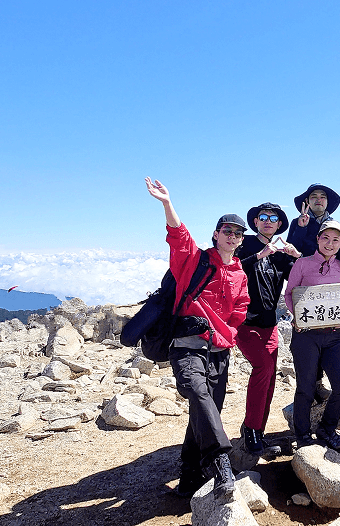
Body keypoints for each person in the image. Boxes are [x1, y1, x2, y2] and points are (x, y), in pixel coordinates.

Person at [145, 177, 250, 498]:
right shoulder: (195, 260)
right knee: (197, 393)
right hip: (187, 343)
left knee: (207, 410)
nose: (232, 236)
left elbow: (240, 310)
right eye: (227, 231)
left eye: (238, 233)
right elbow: (178, 235)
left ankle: (190, 476)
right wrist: (167, 203)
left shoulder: (240, 274)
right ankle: (221, 463)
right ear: (216, 234)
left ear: (241, 241)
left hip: (219, 349)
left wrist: (228, 335)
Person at [234, 202, 301, 454]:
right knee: (263, 367)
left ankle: (257, 431)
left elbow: (300, 278)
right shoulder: (244, 245)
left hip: (269, 324)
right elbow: (230, 269)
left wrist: (296, 256)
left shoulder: (281, 254)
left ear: (279, 225)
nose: (268, 221)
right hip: (244, 322)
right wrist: (260, 255)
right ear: (255, 222)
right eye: (263, 217)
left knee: (270, 375)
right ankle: (251, 430)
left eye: (273, 218)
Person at [284, 220, 340, 452]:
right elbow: (289, 294)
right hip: (306, 336)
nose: (330, 244)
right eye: (325, 238)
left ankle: (326, 429)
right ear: (317, 239)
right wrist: (297, 316)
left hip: (333, 336)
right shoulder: (302, 264)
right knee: (305, 388)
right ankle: (303, 436)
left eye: (335, 240)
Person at [287, 183, 340, 259]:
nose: (319, 200)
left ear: (327, 201)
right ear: (307, 201)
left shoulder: (335, 225)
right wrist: (301, 228)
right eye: (314, 197)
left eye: (323, 197)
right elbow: (290, 253)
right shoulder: (296, 222)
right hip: (302, 265)